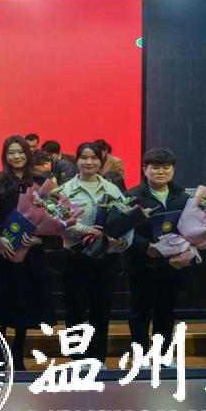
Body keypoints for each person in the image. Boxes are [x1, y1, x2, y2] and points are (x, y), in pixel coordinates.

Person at [0, 136, 56, 371]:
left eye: (20, 152)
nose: (16, 157)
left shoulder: (41, 183)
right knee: (0, 304)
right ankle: (0, 355)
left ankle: (18, 354)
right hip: (2, 252)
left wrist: (39, 238)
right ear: (5, 156)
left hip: (30, 253)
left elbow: (56, 217)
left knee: (25, 304)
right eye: (11, 153)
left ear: (28, 154)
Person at [58, 142, 135, 364]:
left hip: (106, 258)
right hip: (76, 256)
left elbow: (127, 220)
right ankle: (76, 358)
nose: (89, 162)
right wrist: (84, 230)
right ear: (77, 161)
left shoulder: (112, 190)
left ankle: (98, 358)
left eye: (94, 158)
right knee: (75, 310)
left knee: (101, 309)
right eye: (84, 157)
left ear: (101, 162)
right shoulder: (65, 191)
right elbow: (59, 223)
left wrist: (122, 241)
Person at [115, 148, 191, 353]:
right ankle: (139, 354)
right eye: (155, 167)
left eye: (166, 167)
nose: (161, 171)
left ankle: (163, 354)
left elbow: (192, 227)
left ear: (173, 170)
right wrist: (145, 246)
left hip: (172, 263)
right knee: (140, 311)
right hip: (142, 262)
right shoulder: (131, 196)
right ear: (144, 169)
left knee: (166, 311)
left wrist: (185, 245)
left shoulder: (183, 197)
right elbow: (121, 228)